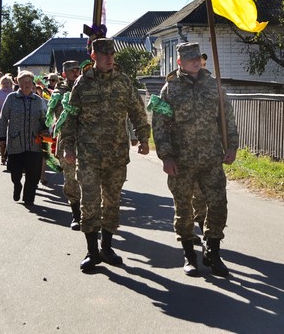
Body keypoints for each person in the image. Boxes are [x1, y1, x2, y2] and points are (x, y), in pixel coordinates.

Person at [59, 38, 150, 273]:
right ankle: (92, 252)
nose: (109, 58)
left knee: (112, 202)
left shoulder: (123, 82)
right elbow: (70, 117)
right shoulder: (82, 84)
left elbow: (138, 112)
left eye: (111, 54)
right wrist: (68, 147)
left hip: (117, 154)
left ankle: (107, 247)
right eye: (103, 54)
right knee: (89, 203)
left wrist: (143, 138)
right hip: (88, 155)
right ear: (94, 57)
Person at [151, 42, 239, 277]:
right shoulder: (169, 90)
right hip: (182, 161)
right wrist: (166, 157)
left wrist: (231, 146)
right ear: (179, 62)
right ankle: (189, 255)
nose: (194, 62)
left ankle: (212, 251)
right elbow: (160, 127)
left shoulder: (213, 86)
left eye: (197, 58)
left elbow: (227, 119)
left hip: (211, 158)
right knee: (184, 209)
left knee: (218, 204)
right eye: (189, 58)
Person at [0, 71, 49, 207]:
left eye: (29, 82)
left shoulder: (38, 101)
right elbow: (3, 119)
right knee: (15, 172)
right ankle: (17, 185)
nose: (27, 84)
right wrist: (1, 137)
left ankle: (29, 198)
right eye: (24, 82)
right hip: (16, 142)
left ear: (33, 84)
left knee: (33, 173)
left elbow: (44, 119)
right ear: (18, 83)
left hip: (34, 143)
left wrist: (45, 130)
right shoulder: (11, 98)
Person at [49, 60, 82, 230]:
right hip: (68, 141)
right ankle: (76, 213)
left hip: (87, 141)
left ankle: (89, 213)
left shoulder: (86, 87)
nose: (76, 73)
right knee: (71, 179)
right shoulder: (59, 93)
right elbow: (60, 115)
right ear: (64, 74)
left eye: (77, 70)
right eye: (72, 71)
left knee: (89, 178)